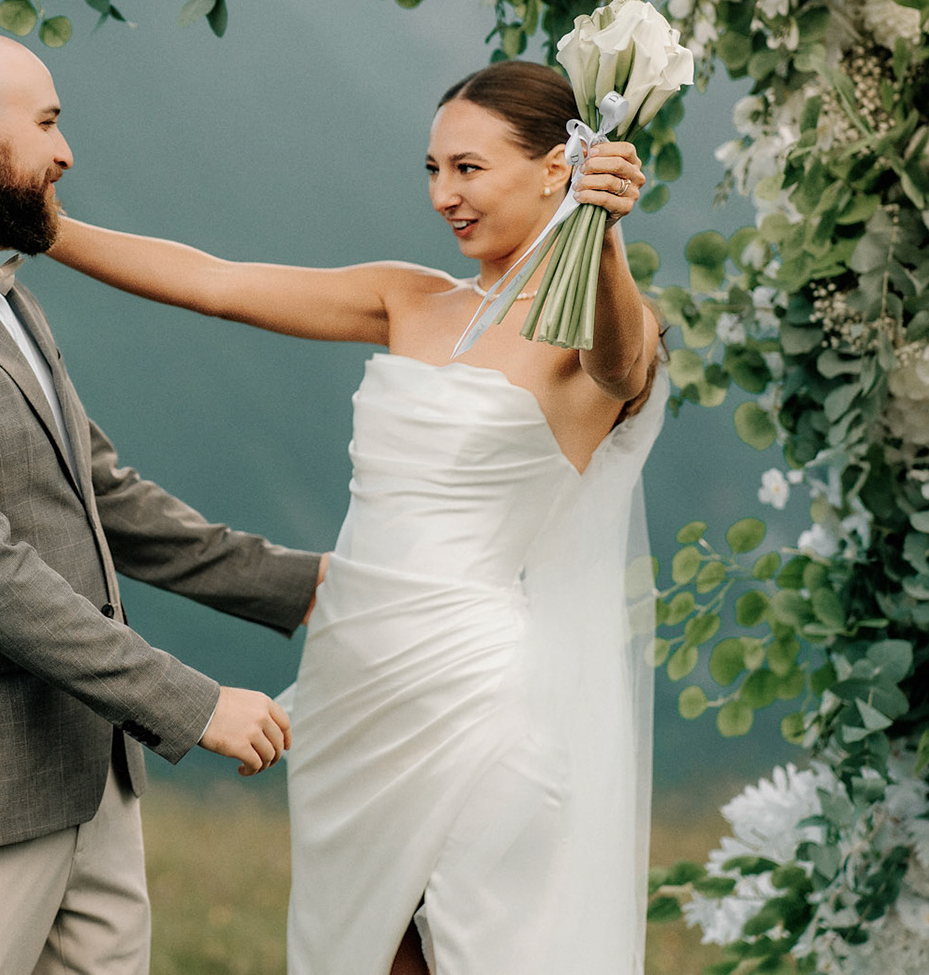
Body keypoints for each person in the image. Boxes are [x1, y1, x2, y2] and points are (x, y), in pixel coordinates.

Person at [49, 59, 667, 975]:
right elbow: (216, 283)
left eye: (469, 168)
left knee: (482, 943)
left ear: (557, 170)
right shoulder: (409, 297)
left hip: (475, 695)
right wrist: (42, 227)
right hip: (352, 685)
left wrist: (604, 236)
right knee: (370, 952)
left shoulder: (599, 331)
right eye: (434, 170)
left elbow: (622, 365)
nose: (444, 195)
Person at [0, 25, 327, 975]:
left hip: (89, 781)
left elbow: (101, 495)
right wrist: (193, 703)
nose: (65, 151)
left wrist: (302, 585)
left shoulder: (0, 292)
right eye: (46, 123)